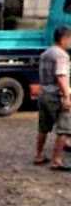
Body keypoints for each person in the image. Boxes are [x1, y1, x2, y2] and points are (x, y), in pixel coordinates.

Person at [34, 25, 71, 170]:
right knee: (64, 129)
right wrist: (67, 96)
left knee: (43, 127)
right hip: (57, 95)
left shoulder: (46, 53)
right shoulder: (61, 55)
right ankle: (57, 160)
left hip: (44, 93)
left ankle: (38, 155)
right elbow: (61, 76)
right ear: (64, 38)